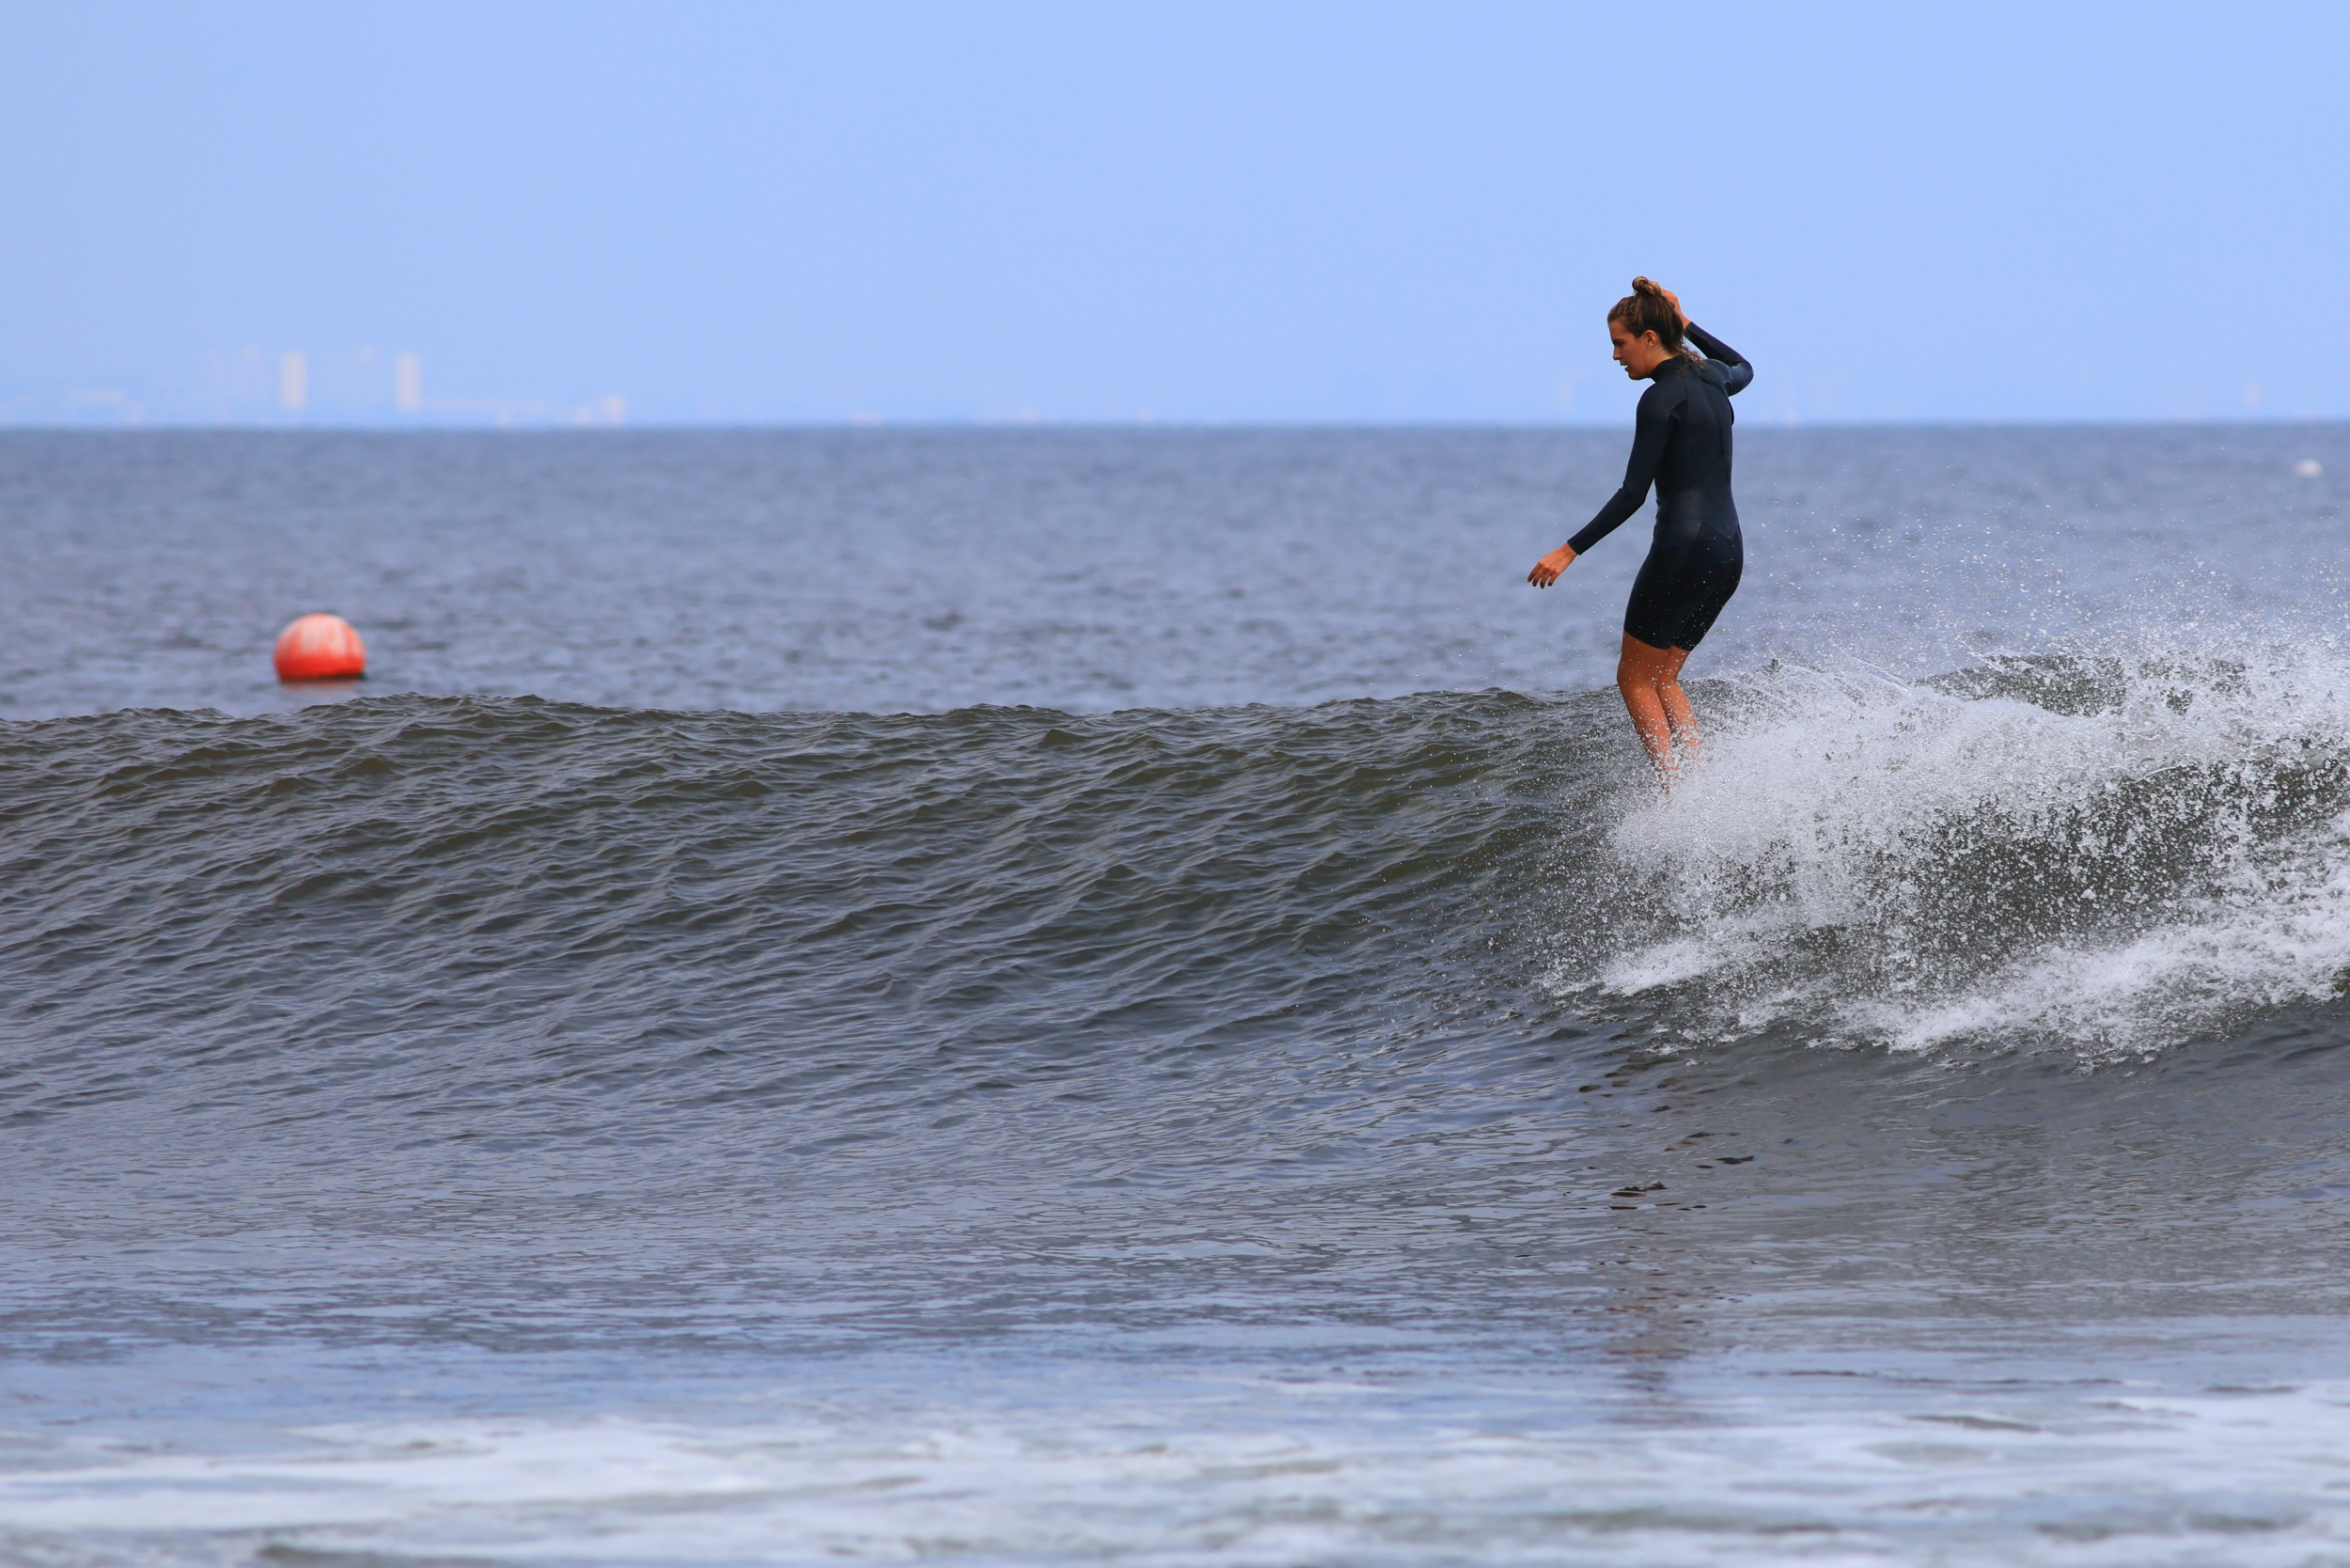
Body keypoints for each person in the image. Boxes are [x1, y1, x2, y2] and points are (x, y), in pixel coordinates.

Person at [1528, 278, 1751, 785]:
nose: (1614, 356)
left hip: (1684, 548)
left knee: (1633, 678)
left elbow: (1633, 494)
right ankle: (1700, 785)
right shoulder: (1712, 378)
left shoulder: (1659, 399)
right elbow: (1745, 367)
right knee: (1663, 675)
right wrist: (1686, 319)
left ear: (1650, 338)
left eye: (1620, 343)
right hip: (1729, 551)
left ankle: (1675, 796)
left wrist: (1569, 550)